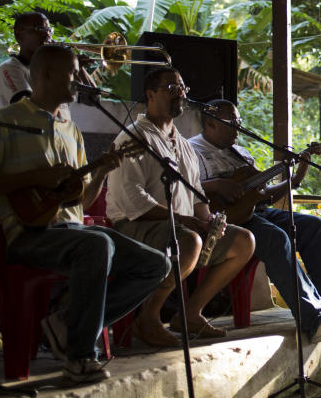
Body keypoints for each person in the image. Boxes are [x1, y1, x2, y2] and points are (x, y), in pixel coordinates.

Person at [0, 44, 170, 385]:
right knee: (97, 245)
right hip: (26, 235)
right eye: (73, 73)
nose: (80, 81)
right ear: (45, 74)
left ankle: (67, 323)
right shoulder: (7, 121)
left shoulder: (71, 130)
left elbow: (81, 204)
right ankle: (81, 357)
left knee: (156, 264)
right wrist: (33, 177)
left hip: (71, 231)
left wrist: (101, 172)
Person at [106, 67, 255, 348]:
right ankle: (148, 319)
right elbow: (132, 201)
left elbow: (197, 194)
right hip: (136, 226)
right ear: (150, 95)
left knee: (243, 241)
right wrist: (187, 221)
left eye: (183, 88)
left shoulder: (183, 145)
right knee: (188, 240)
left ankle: (189, 313)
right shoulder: (133, 137)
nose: (181, 94)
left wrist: (208, 220)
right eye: (171, 88)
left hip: (184, 227)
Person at [189, 100, 321, 342]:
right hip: (224, 221)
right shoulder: (191, 150)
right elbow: (184, 189)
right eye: (233, 124)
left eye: (240, 124)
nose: (238, 130)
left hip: (256, 213)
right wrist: (217, 184)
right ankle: (315, 319)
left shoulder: (241, 154)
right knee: (276, 239)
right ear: (211, 123)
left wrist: (295, 178)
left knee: (315, 228)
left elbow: (264, 194)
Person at [0, 12, 53, 105]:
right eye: (40, 29)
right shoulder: (9, 68)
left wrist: (78, 69)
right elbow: (28, 108)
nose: (47, 35)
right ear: (19, 36)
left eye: (49, 30)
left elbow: (83, 97)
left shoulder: (50, 69)